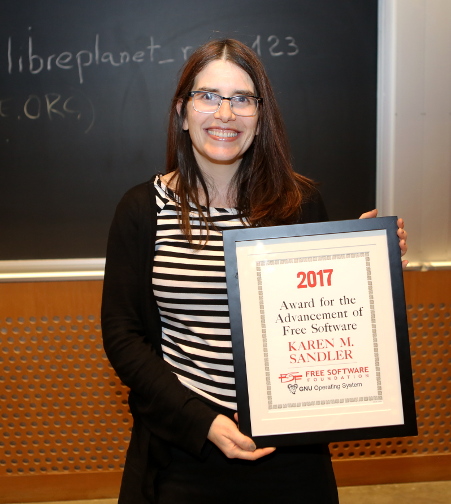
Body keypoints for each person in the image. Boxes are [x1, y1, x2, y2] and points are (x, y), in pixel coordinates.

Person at [101, 39, 408, 504]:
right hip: (183, 449)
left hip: (293, 453)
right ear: (182, 112)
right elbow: (123, 335)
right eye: (208, 96)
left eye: (242, 99)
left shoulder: (300, 205)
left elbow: (326, 320)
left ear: (260, 116)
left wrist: (373, 270)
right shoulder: (143, 209)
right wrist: (202, 421)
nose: (225, 113)